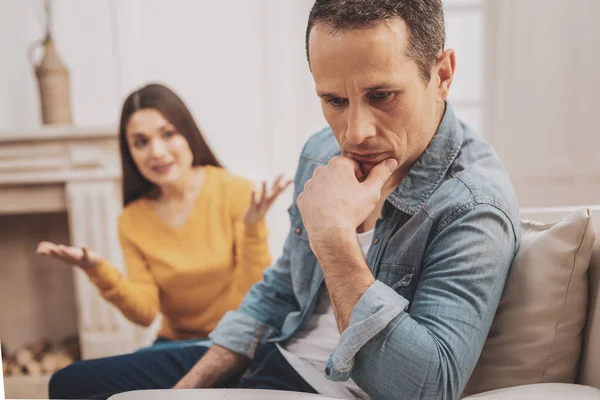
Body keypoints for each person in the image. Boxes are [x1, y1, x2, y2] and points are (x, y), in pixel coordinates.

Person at [48, 1, 521, 399]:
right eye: (334, 101)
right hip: (273, 352)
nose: (354, 132)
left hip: (328, 386)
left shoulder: (473, 205)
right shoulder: (321, 151)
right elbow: (278, 293)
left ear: (442, 74)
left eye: (382, 95)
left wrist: (334, 238)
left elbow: (428, 388)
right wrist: (188, 390)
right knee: (70, 384)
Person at [38, 83, 289, 349]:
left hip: (235, 341)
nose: (156, 152)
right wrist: (98, 271)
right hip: (175, 344)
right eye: (141, 142)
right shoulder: (132, 219)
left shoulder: (234, 191)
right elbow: (144, 313)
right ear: (130, 152)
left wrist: (252, 229)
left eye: (168, 134)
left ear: (188, 134)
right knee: (73, 380)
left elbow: (254, 296)